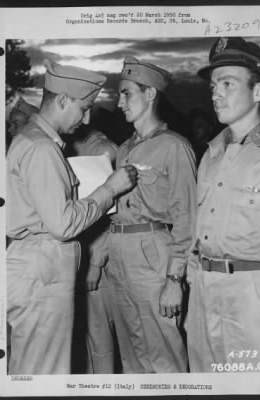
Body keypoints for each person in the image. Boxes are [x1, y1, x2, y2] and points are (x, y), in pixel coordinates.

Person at [6, 59, 138, 375]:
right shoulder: (41, 148)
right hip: (43, 270)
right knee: (45, 372)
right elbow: (63, 224)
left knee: (32, 368)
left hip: (36, 267)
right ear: (63, 100)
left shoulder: (33, 139)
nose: (87, 117)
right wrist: (110, 188)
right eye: (84, 108)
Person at [186, 37, 260, 372]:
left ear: (258, 91)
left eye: (227, 83)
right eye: (213, 85)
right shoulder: (211, 154)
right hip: (203, 295)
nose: (215, 94)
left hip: (251, 300)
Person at [105, 56, 197, 373]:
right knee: (131, 358)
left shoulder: (174, 146)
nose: (119, 103)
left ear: (150, 94)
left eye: (126, 93)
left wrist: (175, 279)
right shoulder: (123, 149)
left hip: (152, 256)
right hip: (118, 256)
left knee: (163, 355)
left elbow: (187, 219)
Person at [69, 126, 119, 374]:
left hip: (94, 263)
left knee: (100, 341)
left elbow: (111, 215)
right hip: (78, 259)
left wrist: (97, 261)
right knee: (84, 341)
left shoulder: (102, 149)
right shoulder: (67, 145)